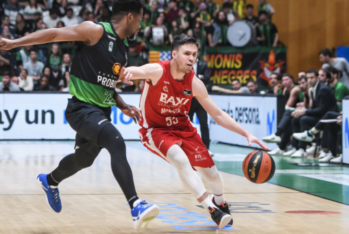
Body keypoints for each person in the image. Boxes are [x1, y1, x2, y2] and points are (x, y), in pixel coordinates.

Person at [0, 0, 159, 231]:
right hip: (81, 109)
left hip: (100, 110)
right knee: (116, 142)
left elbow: (105, 83)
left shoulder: (122, 49)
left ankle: (50, 181)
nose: (142, 24)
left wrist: (122, 104)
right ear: (130, 17)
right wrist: (15, 43)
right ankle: (136, 205)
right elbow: (54, 34)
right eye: (141, 18)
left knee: (83, 160)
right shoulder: (95, 31)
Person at [119, 34, 268, 229]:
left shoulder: (195, 83)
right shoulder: (157, 70)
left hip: (184, 129)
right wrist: (125, 73)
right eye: (186, 53)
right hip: (156, 130)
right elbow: (134, 71)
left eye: (194, 54)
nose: (191, 58)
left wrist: (246, 134)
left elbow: (218, 115)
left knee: (213, 175)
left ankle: (220, 202)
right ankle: (212, 210)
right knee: (180, 161)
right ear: (174, 54)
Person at [290, 69, 338, 157]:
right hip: (320, 116)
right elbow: (314, 107)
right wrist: (303, 111)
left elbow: (322, 109)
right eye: (308, 78)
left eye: (312, 77)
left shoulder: (324, 89)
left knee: (304, 119)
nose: (309, 80)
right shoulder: (312, 89)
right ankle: (296, 148)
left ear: (318, 77)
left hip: (327, 117)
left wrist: (304, 111)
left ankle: (302, 148)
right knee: (295, 119)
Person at [263, 74, 309, 155]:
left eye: (286, 80)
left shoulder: (296, 89)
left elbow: (288, 106)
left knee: (288, 115)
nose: (284, 82)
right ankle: (282, 147)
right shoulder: (285, 90)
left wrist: (301, 107)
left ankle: (278, 136)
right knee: (289, 121)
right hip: (297, 112)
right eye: (283, 80)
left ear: (291, 80)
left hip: (302, 112)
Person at [189, 53, 213, 156]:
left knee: (204, 124)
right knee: (187, 124)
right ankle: (188, 147)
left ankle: (206, 148)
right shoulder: (186, 65)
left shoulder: (203, 65)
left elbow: (207, 78)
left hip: (200, 101)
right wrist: (199, 77)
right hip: (189, 100)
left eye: (194, 54)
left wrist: (195, 77)